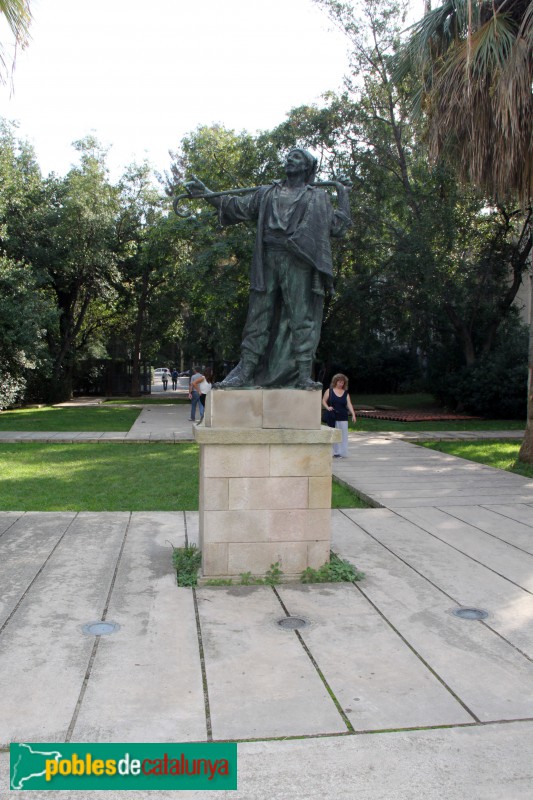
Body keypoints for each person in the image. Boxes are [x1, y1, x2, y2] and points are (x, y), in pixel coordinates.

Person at [185, 148, 351, 389]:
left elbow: (338, 226)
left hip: (298, 260)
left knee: (301, 318)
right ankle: (246, 371)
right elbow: (236, 206)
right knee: (258, 316)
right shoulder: (267, 193)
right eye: (288, 157)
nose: (289, 160)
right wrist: (208, 194)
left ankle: (304, 375)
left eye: (296, 158)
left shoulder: (317, 198)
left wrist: (344, 195)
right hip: (268, 259)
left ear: (306, 167)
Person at [322, 373, 356, 458]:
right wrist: (327, 407)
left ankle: (342, 452)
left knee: (343, 435)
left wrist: (353, 414)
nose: (341, 384)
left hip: (343, 416)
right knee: (334, 434)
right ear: (335, 382)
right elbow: (323, 401)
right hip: (332, 416)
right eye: (339, 382)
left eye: (343, 383)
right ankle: (335, 452)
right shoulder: (329, 391)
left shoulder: (346, 393)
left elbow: (349, 404)